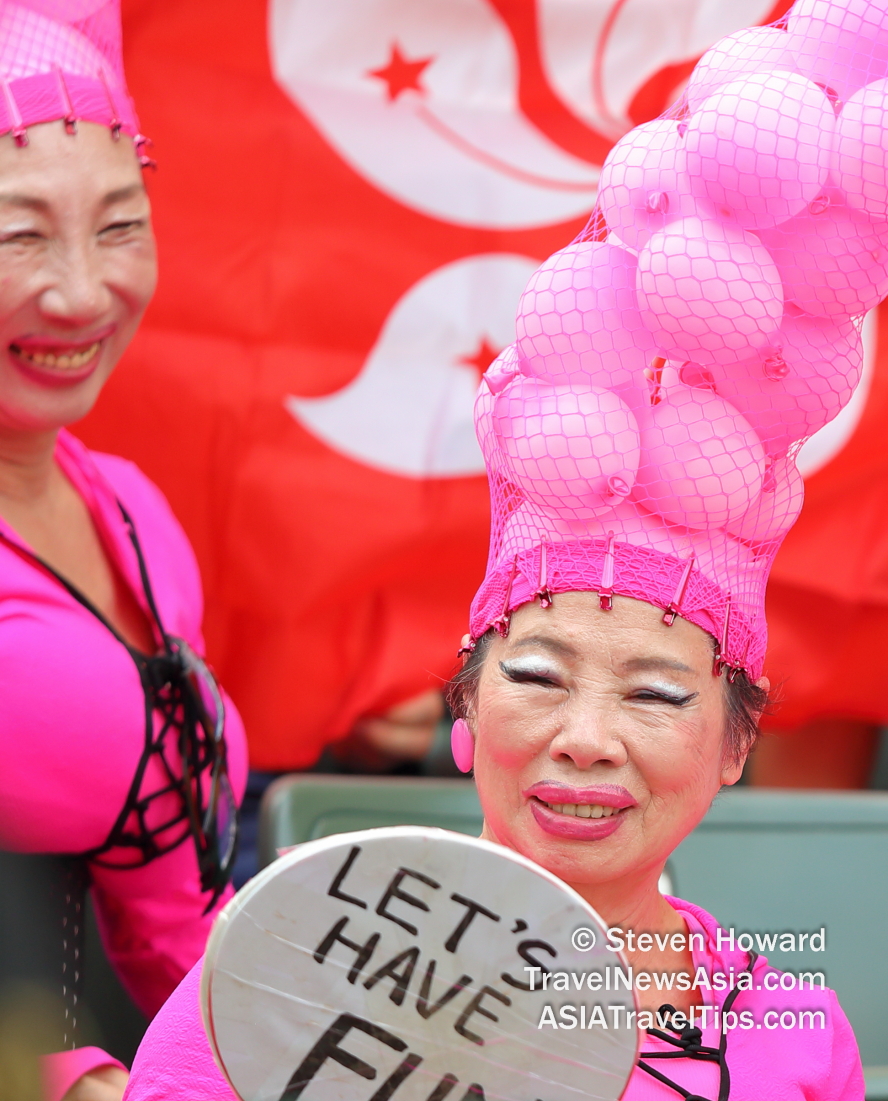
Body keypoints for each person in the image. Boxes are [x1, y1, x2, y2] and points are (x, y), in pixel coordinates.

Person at [121, 3, 874, 1096]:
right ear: (467, 716)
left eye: (657, 698)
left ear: (734, 743)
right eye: (534, 676)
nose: (585, 739)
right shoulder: (289, 952)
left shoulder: (791, 1030)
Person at [0, 3, 247, 1099]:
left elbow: (176, 928)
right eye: (16, 235)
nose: (82, 293)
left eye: (118, 224)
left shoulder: (134, 516)